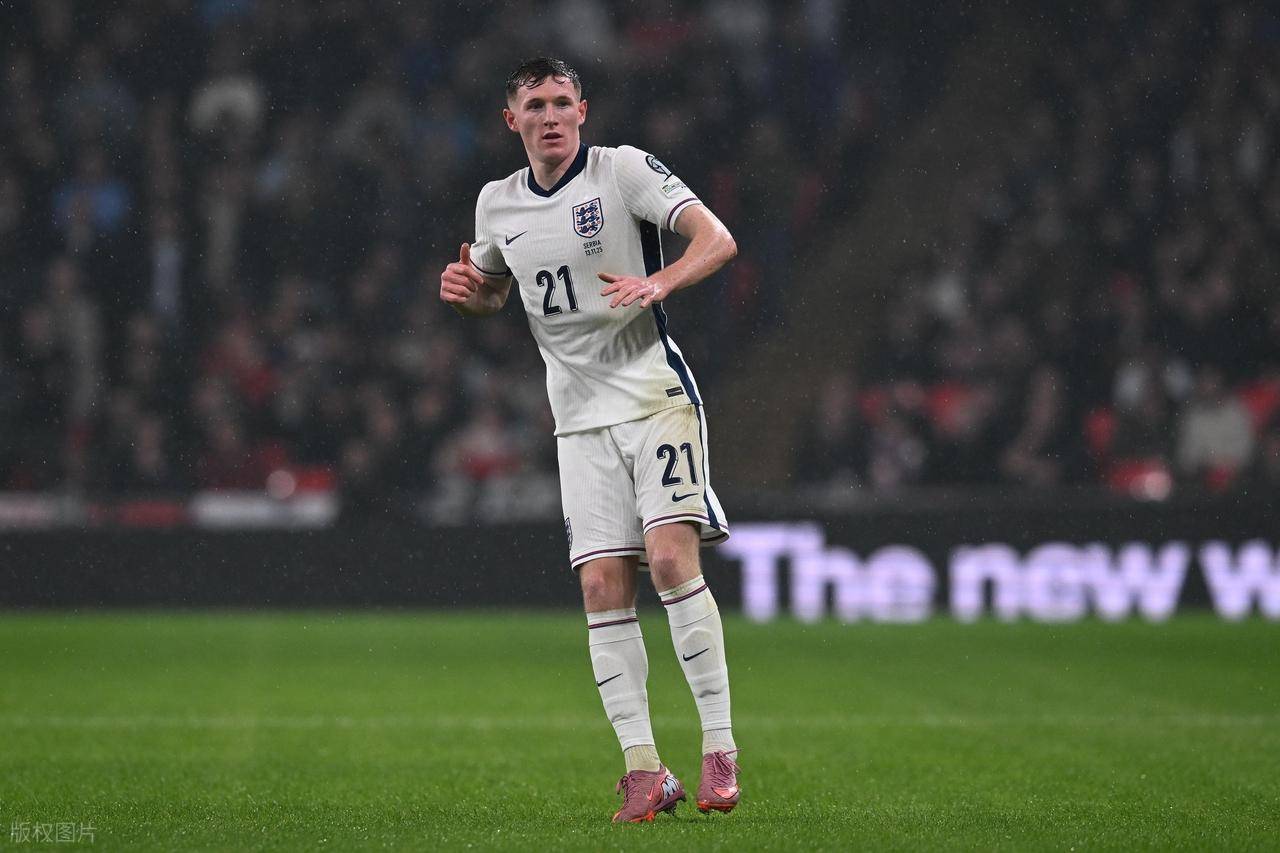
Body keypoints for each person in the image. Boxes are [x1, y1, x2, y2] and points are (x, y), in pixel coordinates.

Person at [439, 57, 741, 823]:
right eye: (535, 105)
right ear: (512, 120)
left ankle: (719, 748)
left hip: (654, 396)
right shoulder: (497, 203)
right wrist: (470, 297)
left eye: (561, 102)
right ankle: (645, 769)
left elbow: (717, 239)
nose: (550, 116)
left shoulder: (622, 171)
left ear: (583, 110)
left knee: (669, 559)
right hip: (577, 420)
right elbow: (495, 291)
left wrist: (660, 282)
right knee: (602, 587)